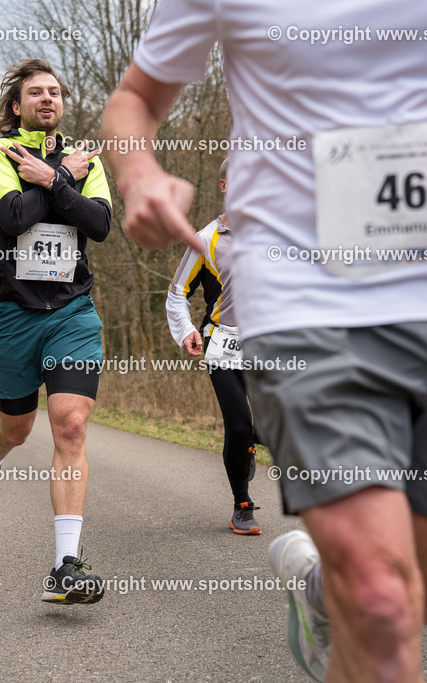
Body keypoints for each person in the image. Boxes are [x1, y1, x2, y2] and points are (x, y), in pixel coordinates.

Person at [101, 2, 427, 680]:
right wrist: (138, 175)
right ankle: (351, 585)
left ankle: (322, 589)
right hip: (301, 301)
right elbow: (135, 100)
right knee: (382, 603)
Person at [0, 58, 113, 604]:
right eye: (36, 93)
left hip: (73, 310)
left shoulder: (82, 157)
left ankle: (65, 566)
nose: (47, 99)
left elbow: (98, 224)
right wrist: (61, 181)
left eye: (54, 92)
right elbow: (13, 216)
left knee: (70, 425)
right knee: (16, 427)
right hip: (13, 314)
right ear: (16, 105)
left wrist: (56, 176)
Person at [167, 158, 260, 535]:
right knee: (238, 426)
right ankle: (242, 504)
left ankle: (252, 442)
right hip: (221, 341)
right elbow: (176, 294)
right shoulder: (206, 238)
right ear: (224, 187)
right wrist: (186, 329)